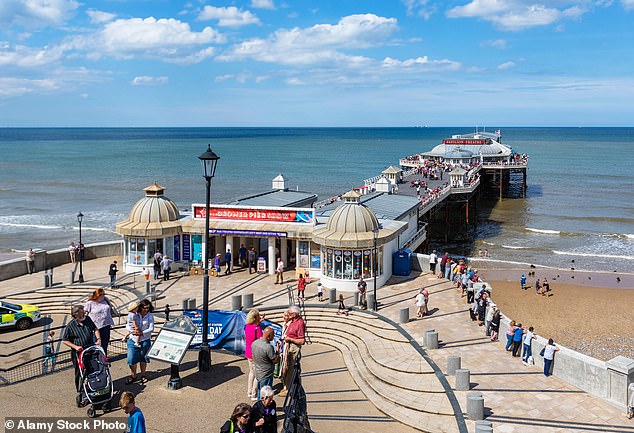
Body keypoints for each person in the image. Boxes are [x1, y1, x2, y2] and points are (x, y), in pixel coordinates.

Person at [62, 305, 101, 392]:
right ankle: (80, 390)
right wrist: (75, 347)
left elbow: (95, 329)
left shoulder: (87, 319)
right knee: (79, 372)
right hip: (78, 353)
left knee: (93, 368)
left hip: (90, 349)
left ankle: (94, 386)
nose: (84, 314)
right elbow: (65, 340)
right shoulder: (70, 326)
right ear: (76, 315)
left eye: (83, 313)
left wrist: (98, 339)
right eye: (81, 313)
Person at [126, 299, 154, 385]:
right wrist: (132, 331)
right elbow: (127, 324)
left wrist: (141, 332)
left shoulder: (150, 316)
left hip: (145, 340)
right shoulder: (134, 314)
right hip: (133, 339)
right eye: (144, 308)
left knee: (143, 359)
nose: (146, 310)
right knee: (131, 359)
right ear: (140, 307)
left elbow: (151, 328)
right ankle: (133, 375)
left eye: (148, 308)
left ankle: (143, 375)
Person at [280, 305, 305, 397]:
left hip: (294, 348)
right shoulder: (293, 321)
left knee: (291, 369)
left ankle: (289, 389)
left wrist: (290, 339)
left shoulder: (300, 323)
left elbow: (302, 341)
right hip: (288, 347)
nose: (289, 315)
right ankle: (286, 387)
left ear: (295, 314)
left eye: (290, 313)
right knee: (286, 368)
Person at [84, 288, 115, 355]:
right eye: (101, 294)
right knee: (97, 343)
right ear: (97, 295)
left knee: (105, 342)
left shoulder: (105, 300)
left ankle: (104, 357)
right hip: (96, 327)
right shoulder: (90, 303)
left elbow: (110, 307)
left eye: (104, 294)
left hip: (106, 325)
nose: (103, 295)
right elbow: (85, 313)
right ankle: (97, 358)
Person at [252, 327, 280, 399]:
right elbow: (275, 361)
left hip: (258, 372)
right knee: (266, 395)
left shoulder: (255, 343)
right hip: (266, 374)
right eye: (273, 335)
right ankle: (264, 409)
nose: (273, 337)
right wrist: (277, 351)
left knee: (260, 391)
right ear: (269, 336)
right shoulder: (268, 347)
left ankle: (259, 407)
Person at [245, 309, 265, 401]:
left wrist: (259, 322)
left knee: (251, 372)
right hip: (256, 353)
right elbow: (261, 339)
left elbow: (253, 327)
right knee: (257, 375)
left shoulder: (247, 326)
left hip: (248, 352)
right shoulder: (257, 328)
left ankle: (249, 392)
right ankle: (254, 393)